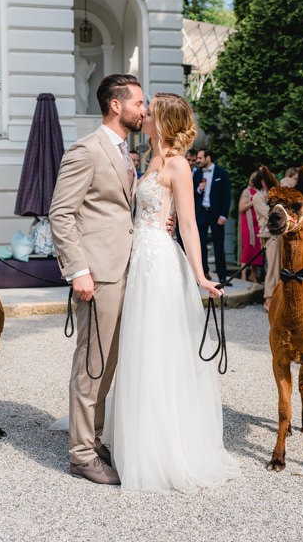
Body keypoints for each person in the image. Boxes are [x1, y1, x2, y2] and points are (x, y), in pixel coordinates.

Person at [107, 92, 239, 492]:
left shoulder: (179, 165)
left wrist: (201, 275)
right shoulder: (147, 158)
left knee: (159, 349)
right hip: (138, 259)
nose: (142, 113)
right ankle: (132, 436)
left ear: (162, 120)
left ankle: (161, 450)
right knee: (137, 348)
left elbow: (189, 225)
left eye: (149, 110)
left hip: (160, 264)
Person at [48, 73, 145, 485]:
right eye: (139, 103)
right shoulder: (85, 151)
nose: (145, 110)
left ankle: (95, 437)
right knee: (92, 364)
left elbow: (118, 211)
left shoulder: (125, 153)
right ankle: (81, 454)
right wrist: (78, 271)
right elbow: (61, 213)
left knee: (110, 363)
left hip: (125, 271)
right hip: (98, 276)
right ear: (116, 105)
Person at [193, 149, 232, 284]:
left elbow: (227, 196)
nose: (198, 160)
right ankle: (204, 273)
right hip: (202, 213)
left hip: (216, 215)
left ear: (208, 158)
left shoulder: (222, 173)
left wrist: (223, 215)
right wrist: (199, 189)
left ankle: (222, 277)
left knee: (218, 245)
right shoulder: (197, 174)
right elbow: (192, 193)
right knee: (200, 244)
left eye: (200, 158)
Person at [253, 165, 280, 309]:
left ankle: (278, 297)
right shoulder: (257, 197)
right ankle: (269, 298)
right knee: (272, 266)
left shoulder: (274, 194)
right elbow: (270, 214)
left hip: (279, 233)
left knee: (280, 266)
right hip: (269, 235)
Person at [238, 171, 264, 283]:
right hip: (248, 225)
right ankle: (243, 273)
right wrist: (253, 202)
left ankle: (253, 274)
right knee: (248, 247)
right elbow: (241, 208)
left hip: (257, 223)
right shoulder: (247, 192)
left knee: (257, 248)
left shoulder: (260, 192)